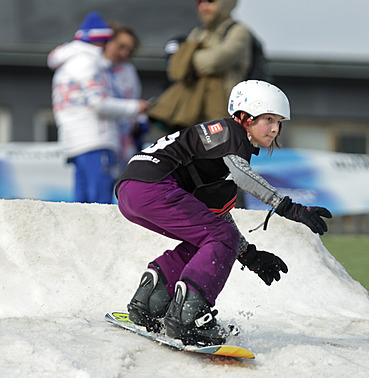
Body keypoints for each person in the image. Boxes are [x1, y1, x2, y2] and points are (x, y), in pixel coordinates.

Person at [116, 80, 332, 346]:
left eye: (279, 122)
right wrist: (289, 207)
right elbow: (242, 174)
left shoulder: (214, 154)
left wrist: (249, 255)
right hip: (154, 186)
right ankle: (190, 317)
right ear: (244, 116)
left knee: (210, 238)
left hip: (132, 189)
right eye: (267, 119)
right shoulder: (231, 133)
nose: (275, 129)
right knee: (220, 237)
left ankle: (152, 298)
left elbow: (218, 219)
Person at [48, 11, 150, 203]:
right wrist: (135, 108)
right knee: (98, 205)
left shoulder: (70, 60)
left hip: (78, 140)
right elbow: (99, 104)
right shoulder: (87, 62)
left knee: (82, 206)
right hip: (94, 139)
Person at [147, 0, 252, 133]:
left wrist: (189, 59)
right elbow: (176, 67)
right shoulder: (198, 32)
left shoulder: (238, 31)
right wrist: (193, 60)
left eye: (210, 1)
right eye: (199, 3)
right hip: (192, 109)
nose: (204, 7)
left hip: (223, 108)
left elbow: (214, 61)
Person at [103, 25, 150, 170]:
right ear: (109, 42)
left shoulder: (129, 71)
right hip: (104, 138)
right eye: (121, 47)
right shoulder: (96, 67)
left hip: (127, 141)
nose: (124, 53)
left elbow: (135, 99)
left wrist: (140, 121)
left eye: (129, 50)